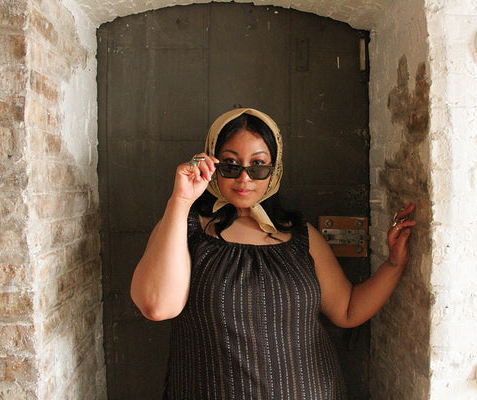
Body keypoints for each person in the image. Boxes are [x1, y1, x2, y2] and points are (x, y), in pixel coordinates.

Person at [130, 108, 416, 399]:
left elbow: (347, 310)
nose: (245, 178)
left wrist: (394, 263)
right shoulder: (186, 229)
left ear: (274, 169)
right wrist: (181, 199)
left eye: (258, 166)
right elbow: (157, 306)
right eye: (230, 164)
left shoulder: (301, 237)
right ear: (212, 163)